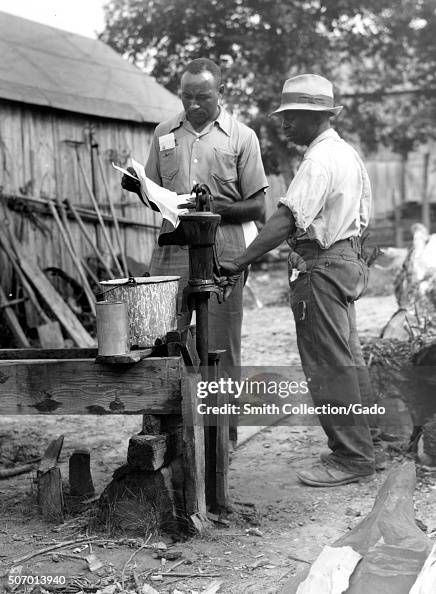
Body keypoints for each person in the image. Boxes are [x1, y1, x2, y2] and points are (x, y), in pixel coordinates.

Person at [220, 73, 379, 487]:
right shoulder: (347, 154)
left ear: (318, 117)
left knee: (327, 364)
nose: (284, 123)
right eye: (284, 115)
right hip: (344, 260)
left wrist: (240, 260)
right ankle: (363, 445)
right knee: (347, 358)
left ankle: (351, 457)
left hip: (323, 269)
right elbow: (362, 217)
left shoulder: (319, 160)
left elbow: (286, 218)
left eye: (293, 116)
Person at [122, 58, 268, 443]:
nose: (193, 104)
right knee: (160, 336)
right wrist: (147, 191)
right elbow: (152, 192)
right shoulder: (163, 133)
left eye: (202, 96)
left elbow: (258, 207)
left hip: (223, 251)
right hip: (173, 248)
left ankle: (223, 439)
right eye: (185, 96)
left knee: (219, 344)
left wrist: (209, 209)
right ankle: (167, 433)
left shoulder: (241, 137)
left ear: (221, 92)